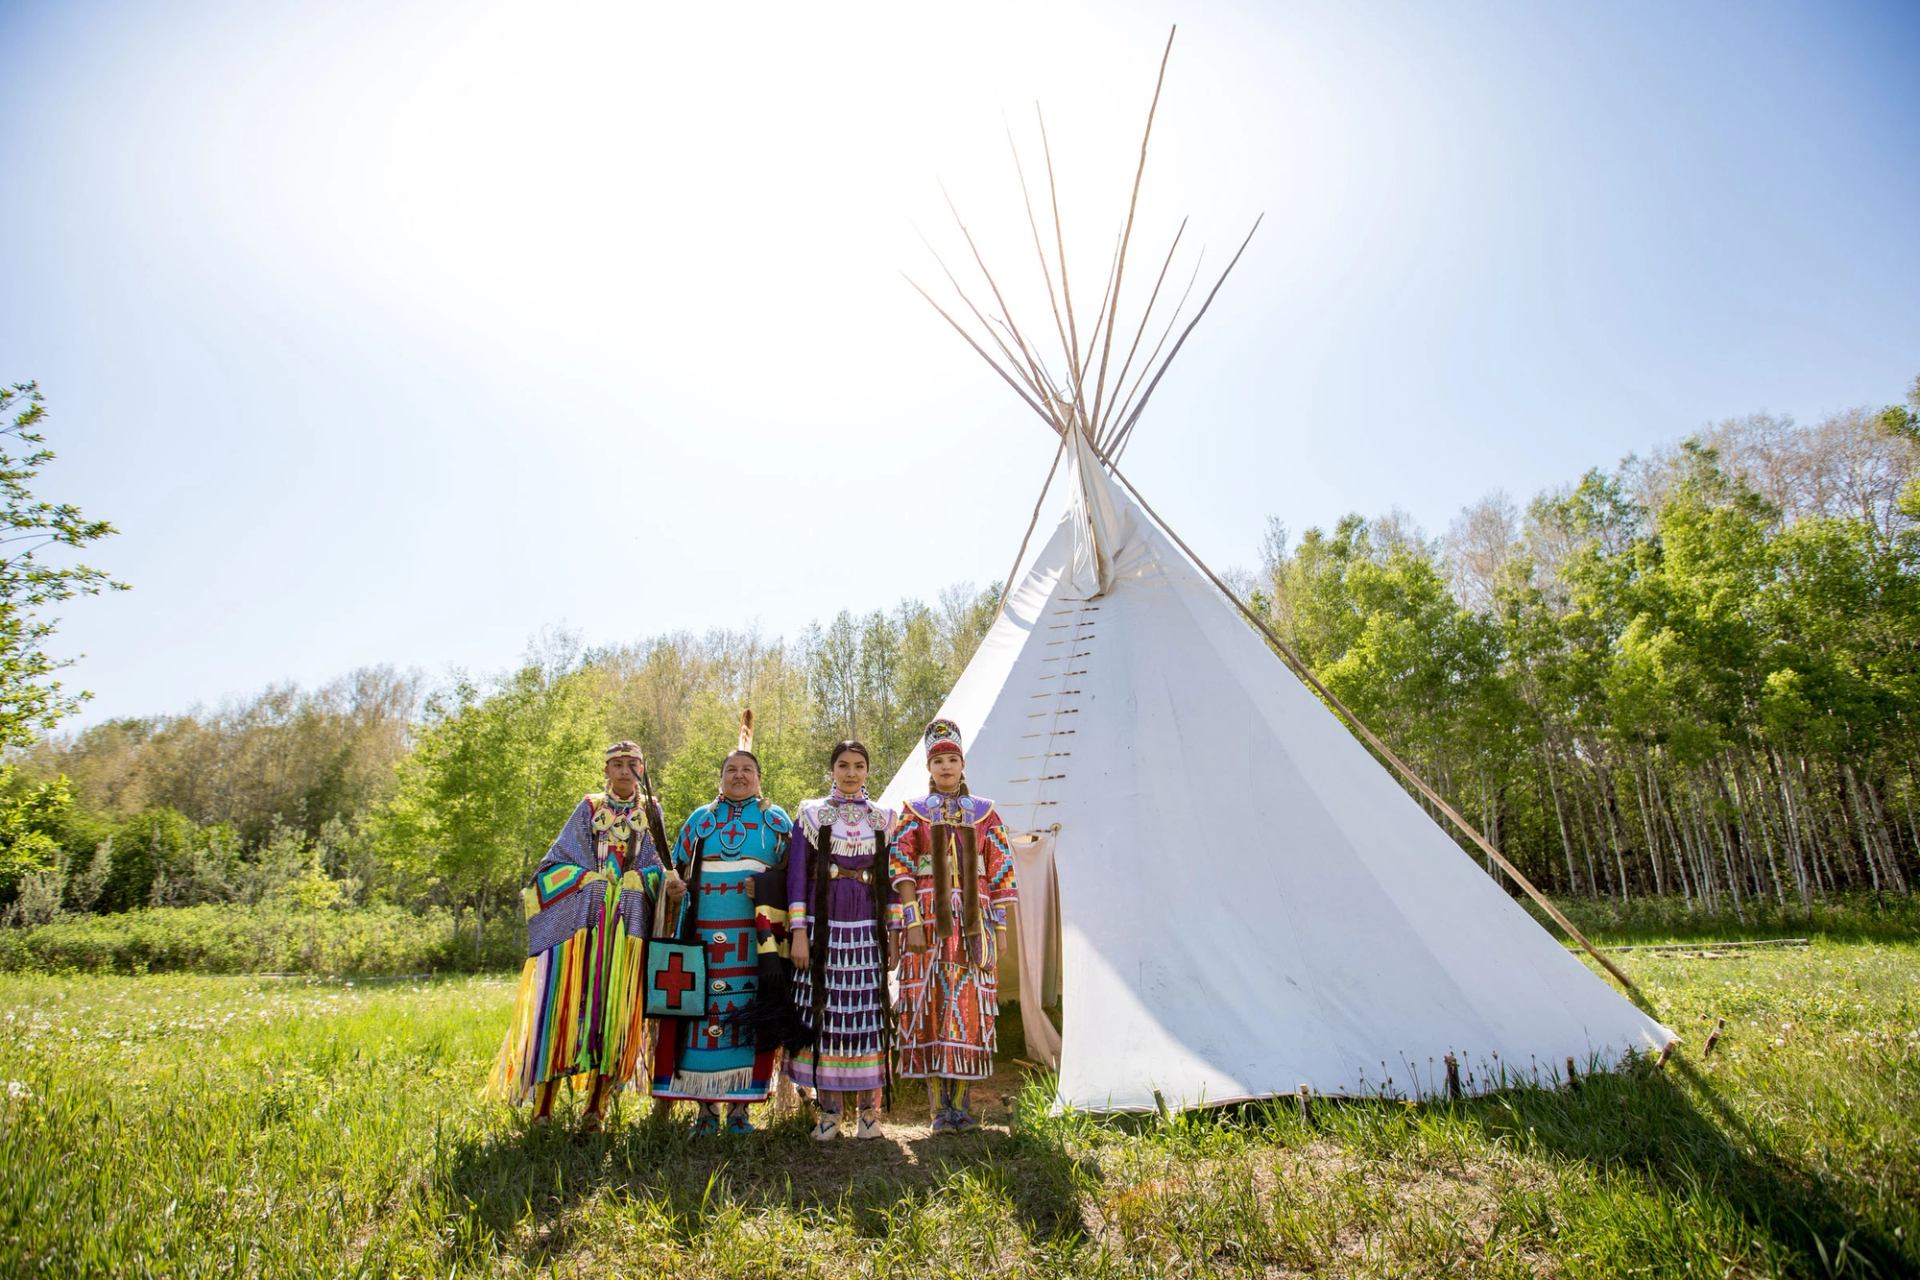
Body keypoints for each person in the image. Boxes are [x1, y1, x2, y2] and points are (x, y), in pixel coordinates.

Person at [491, 740, 666, 1132]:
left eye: (632, 764)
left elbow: (658, 866)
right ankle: (544, 1107)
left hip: (624, 936)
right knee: (564, 1009)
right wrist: (591, 881)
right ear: (606, 770)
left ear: (643, 768)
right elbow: (554, 865)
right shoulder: (589, 808)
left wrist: (642, 880)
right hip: (582, 933)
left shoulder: (651, 810)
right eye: (617, 764)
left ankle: (596, 1109)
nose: (625, 771)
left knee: (613, 1012)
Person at [649, 747, 793, 1135]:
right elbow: (672, 872)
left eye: (748, 769)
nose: (740, 775)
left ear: (760, 777)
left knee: (747, 1016)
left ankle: (741, 1111)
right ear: (721, 777)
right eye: (732, 769)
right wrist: (673, 889)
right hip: (702, 941)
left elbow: (796, 877)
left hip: (754, 943)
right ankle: (706, 1108)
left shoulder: (775, 821)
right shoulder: (701, 820)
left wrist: (765, 885)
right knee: (700, 1015)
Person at [889, 718, 1017, 1132]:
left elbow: (1001, 872)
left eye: (952, 759)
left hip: (973, 922)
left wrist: (999, 929)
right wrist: (909, 921)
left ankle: (961, 1106)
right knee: (929, 1005)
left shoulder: (985, 813)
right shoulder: (913, 812)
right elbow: (899, 865)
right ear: (929, 767)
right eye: (938, 760)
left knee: (968, 1007)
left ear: (963, 765)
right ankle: (936, 1109)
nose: (945, 766)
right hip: (926, 921)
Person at [787, 740, 896, 1141]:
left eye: (859, 765)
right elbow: (797, 876)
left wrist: (894, 934)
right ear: (832, 768)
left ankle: (870, 1112)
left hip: (867, 926)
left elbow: (892, 883)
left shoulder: (884, 817)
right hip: (822, 927)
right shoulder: (812, 814)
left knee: (867, 1014)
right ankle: (829, 1111)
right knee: (826, 1013)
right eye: (844, 765)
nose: (851, 773)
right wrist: (799, 933)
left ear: (868, 770)